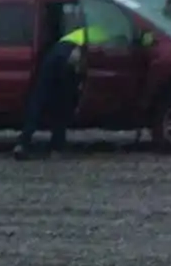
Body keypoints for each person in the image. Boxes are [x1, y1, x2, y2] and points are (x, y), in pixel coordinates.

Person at [15, 10, 109, 160]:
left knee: (39, 98)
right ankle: (56, 147)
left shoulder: (85, 31)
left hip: (55, 54)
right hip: (69, 58)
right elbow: (85, 57)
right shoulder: (108, 34)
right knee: (63, 104)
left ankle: (23, 142)